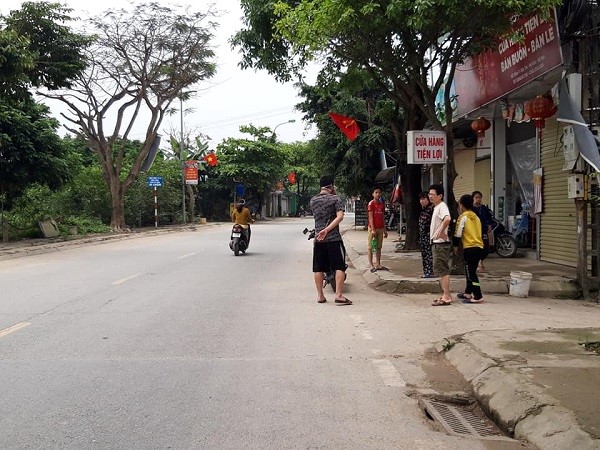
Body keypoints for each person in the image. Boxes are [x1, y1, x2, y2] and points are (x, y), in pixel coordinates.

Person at [309, 176, 351, 306]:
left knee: (318, 268)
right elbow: (340, 217)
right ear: (331, 186)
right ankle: (338, 295)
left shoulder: (313, 200)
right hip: (333, 239)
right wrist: (327, 230)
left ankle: (320, 296)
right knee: (339, 266)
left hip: (319, 240)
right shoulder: (335, 199)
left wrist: (322, 231)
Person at [453, 194, 485, 303]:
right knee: (469, 271)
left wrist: (455, 247)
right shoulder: (476, 217)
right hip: (479, 247)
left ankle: (478, 296)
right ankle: (468, 292)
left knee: (471, 273)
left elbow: (457, 234)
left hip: (470, 248)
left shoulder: (463, 217)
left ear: (461, 205)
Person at [428, 184, 453, 306]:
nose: (430, 196)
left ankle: (447, 296)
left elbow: (447, 219)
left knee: (443, 271)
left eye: (433, 194)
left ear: (440, 196)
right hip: (437, 244)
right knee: (441, 270)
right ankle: (445, 294)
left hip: (440, 245)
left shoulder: (442, 207)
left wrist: (441, 231)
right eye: (430, 194)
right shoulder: (437, 207)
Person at [472, 191, 494, 272]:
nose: (478, 199)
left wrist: (489, 226)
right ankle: (478, 263)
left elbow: (489, 218)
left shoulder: (484, 208)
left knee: (486, 248)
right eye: (476, 197)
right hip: (474, 231)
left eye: (479, 197)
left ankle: (480, 260)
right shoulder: (471, 209)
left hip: (484, 230)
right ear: (473, 198)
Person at [367, 187, 388, 272]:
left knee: (379, 247)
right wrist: (373, 229)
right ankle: (371, 264)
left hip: (380, 228)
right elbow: (370, 217)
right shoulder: (371, 204)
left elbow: (383, 217)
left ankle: (378, 263)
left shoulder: (381, 204)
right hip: (373, 228)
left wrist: (385, 230)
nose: (378, 194)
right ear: (373, 194)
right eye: (376, 192)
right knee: (371, 247)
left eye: (379, 193)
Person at [418, 191, 434, 278]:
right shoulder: (423, 210)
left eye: (423, 199)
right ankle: (426, 271)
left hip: (429, 236)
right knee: (424, 255)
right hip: (422, 236)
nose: (421, 201)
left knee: (429, 254)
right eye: (420, 199)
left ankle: (430, 271)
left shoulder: (431, 210)